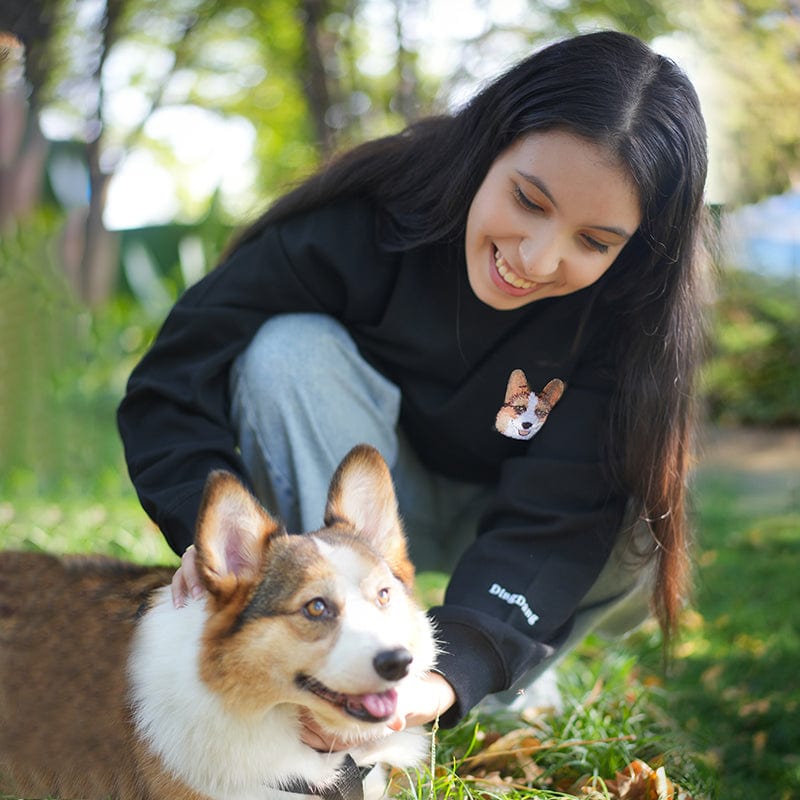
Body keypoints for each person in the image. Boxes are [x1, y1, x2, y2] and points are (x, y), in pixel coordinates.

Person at [117, 30, 709, 737]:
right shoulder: (362, 219)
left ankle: (494, 685)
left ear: (634, 248)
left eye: (594, 242)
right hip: (356, 512)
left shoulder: (622, 317)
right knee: (286, 351)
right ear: (490, 144)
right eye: (528, 200)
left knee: (643, 510)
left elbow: (561, 519)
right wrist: (205, 533)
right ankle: (332, 652)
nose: (538, 256)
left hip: (502, 519)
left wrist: (449, 677)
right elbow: (176, 377)